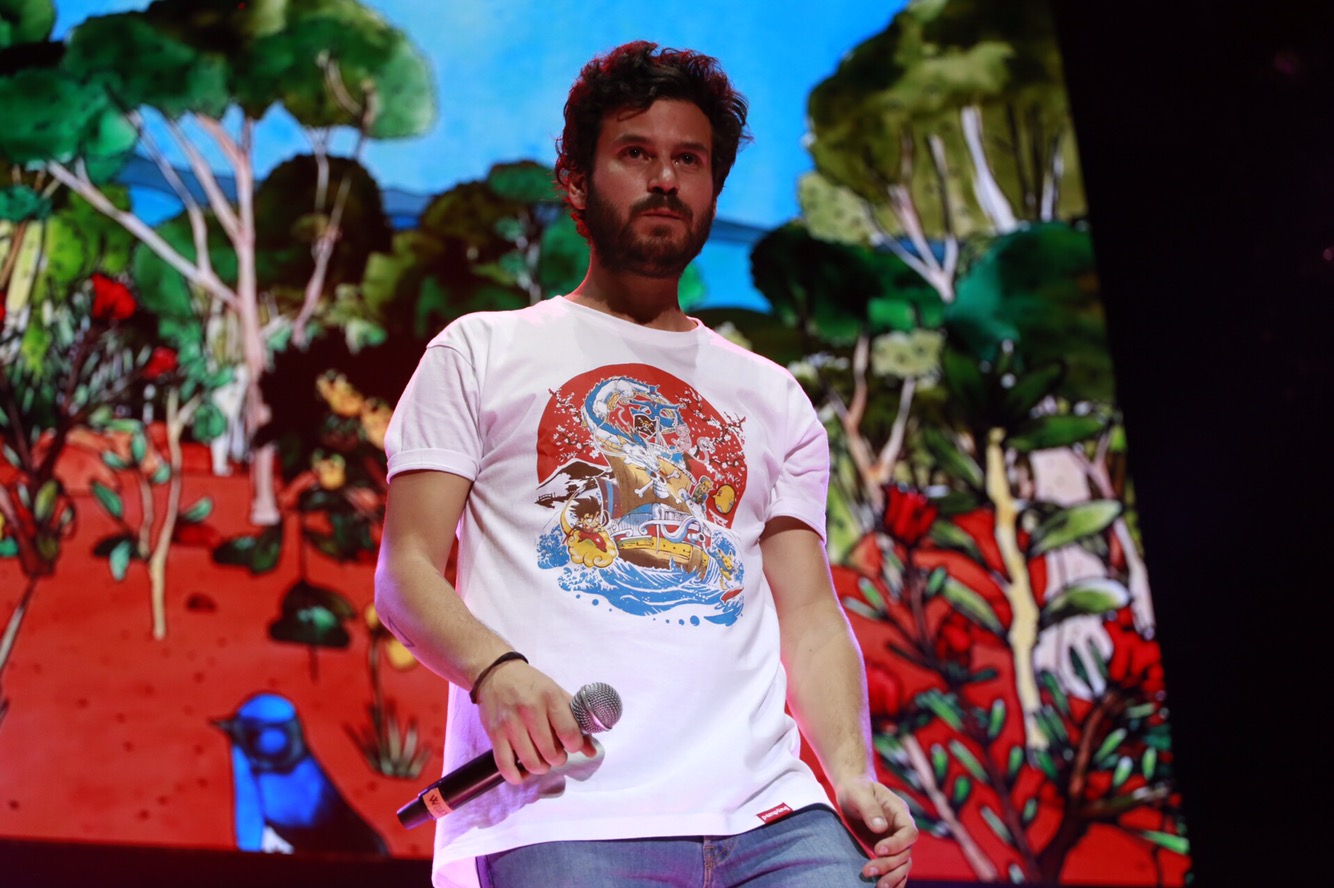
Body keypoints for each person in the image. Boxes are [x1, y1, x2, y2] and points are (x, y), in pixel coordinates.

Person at [374, 40, 918, 888]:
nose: (665, 179)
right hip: (562, 813)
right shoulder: (480, 351)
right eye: (636, 153)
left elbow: (811, 614)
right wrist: (494, 671)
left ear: (712, 187)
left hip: (771, 816)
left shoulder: (772, 396)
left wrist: (850, 770)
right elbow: (404, 572)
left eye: (688, 160)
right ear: (576, 182)